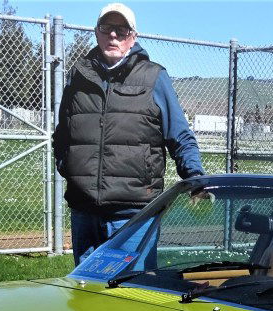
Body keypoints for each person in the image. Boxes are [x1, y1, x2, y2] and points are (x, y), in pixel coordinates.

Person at [52, 2, 205, 264]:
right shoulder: (78, 76)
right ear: (96, 32)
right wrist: (70, 169)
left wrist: (195, 179)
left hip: (134, 213)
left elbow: (179, 135)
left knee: (134, 290)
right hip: (84, 211)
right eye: (107, 28)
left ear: (133, 36)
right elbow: (63, 135)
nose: (113, 35)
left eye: (121, 30)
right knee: (87, 294)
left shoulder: (154, 77)